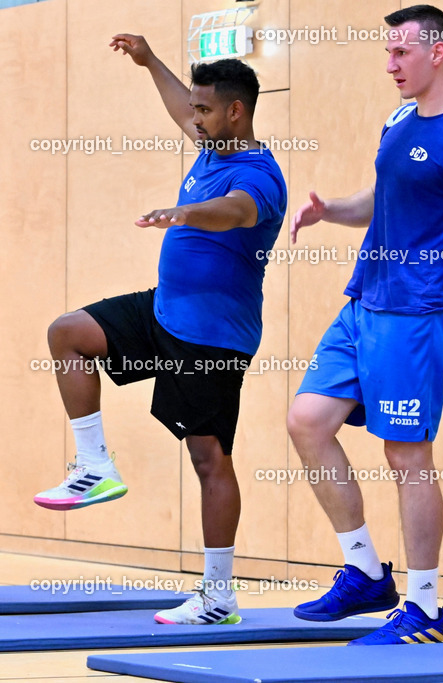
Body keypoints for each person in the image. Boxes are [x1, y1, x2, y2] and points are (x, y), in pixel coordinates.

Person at [36, 34, 287, 626]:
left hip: (211, 337)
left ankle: (218, 595)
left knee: (209, 460)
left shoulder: (259, 173)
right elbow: (180, 104)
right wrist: (150, 62)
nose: (192, 119)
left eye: (205, 110)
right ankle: (95, 466)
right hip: (164, 310)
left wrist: (184, 213)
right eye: (193, 110)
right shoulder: (210, 146)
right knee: (68, 332)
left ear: (237, 112)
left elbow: (238, 212)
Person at [286, 5, 443, 646]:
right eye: (386, 53)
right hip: (363, 302)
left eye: (400, 53)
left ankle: (426, 610)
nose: (390, 65)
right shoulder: (398, 120)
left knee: (406, 454)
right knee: (307, 421)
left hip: (418, 315)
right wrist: (331, 211)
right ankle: (364, 572)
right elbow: (384, 200)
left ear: (437, 52)